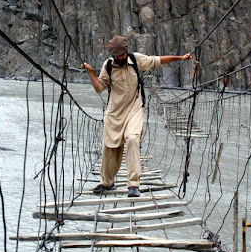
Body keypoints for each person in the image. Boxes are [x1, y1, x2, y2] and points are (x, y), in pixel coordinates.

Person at [82, 35, 192, 197]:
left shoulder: (137, 60)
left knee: (133, 139)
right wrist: (92, 73)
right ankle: (107, 182)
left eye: (121, 55)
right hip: (114, 112)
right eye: (116, 56)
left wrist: (180, 58)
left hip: (134, 109)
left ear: (126, 51)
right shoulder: (109, 65)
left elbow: (159, 60)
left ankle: (133, 184)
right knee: (110, 147)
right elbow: (99, 88)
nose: (119, 58)